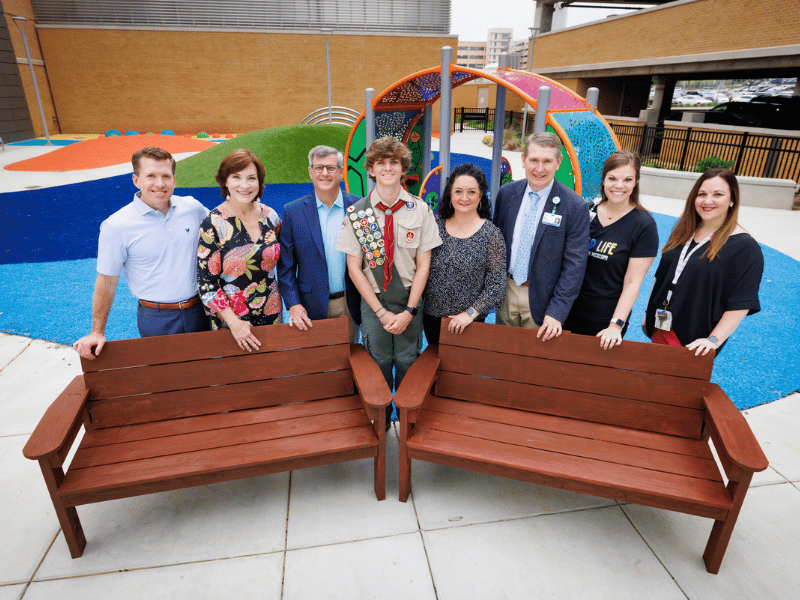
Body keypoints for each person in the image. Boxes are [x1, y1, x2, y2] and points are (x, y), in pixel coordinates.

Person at [73, 147, 209, 360]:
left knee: (207, 371)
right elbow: (107, 281)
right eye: (151, 176)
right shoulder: (116, 226)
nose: (160, 184)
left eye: (166, 176)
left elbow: (225, 231)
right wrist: (97, 331)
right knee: (165, 379)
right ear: (136, 180)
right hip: (156, 317)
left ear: (174, 179)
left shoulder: (193, 208)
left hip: (200, 309)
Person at [336, 136, 442, 397]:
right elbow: (354, 269)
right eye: (380, 162)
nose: (387, 168)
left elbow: (424, 265)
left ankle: (408, 426)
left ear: (403, 168)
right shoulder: (358, 213)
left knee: (409, 363)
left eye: (394, 162)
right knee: (378, 365)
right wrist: (381, 312)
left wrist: (409, 311)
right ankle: (380, 425)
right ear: (370, 169)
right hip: (375, 304)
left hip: (409, 301)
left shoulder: (420, 210)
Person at [644, 168, 763, 356]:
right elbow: (662, 275)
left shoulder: (745, 247)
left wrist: (713, 340)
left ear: (732, 200)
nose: (708, 201)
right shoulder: (684, 231)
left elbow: (741, 302)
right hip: (661, 327)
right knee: (652, 380)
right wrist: (648, 314)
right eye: (702, 194)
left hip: (695, 341)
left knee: (679, 384)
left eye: (718, 194)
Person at [492, 131, 590, 340]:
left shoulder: (575, 206)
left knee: (533, 367)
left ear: (558, 162)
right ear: (523, 160)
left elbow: (575, 266)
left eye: (547, 161)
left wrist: (557, 312)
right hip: (506, 293)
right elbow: (495, 245)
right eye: (533, 160)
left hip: (543, 301)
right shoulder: (507, 194)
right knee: (502, 357)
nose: (539, 169)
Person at [564, 150, 658, 349]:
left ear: (636, 182)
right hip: (568, 310)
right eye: (613, 178)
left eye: (627, 179)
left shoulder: (644, 226)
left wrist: (616, 325)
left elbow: (633, 283)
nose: (619, 186)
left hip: (604, 319)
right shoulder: (585, 212)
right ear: (604, 180)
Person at [197, 149, 282, 352]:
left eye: (251, 178)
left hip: (271, 314)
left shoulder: (271, 216)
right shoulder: (213, 223)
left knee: (272, 374)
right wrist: (234, 323)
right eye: (236, 177)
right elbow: (206, 284)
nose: (244, 185)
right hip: (231, 324)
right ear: (225, 181)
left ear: (259, 183)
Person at [277, 146, 361, 342]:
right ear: (310, 172)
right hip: (309, 306)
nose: (324, 173)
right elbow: (286, 267)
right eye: (319, 168)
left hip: (350, 304)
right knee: (315, 364)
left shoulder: (358, 207)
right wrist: (293, 304)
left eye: (331, 168)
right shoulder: (293, 212)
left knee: (349, 360)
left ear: (341, 172)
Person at [423, 163, 506, 345]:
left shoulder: (491, 235)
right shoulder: (434, 226)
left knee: (463, 371)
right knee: (435, 367)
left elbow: (496, 284)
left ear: (481, 195)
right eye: (458, 191)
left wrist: (470, 314)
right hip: (431, 318)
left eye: (472, 192)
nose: (464, 198)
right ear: (449, 194)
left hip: (470, 323)